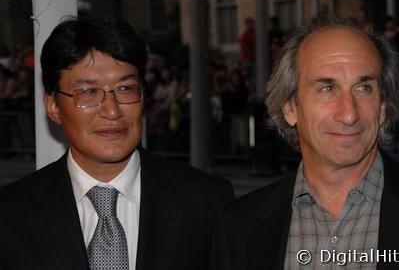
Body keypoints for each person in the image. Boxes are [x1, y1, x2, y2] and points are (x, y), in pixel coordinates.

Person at [212, 16, 399, 269]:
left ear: (382, 108)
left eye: (364, 88)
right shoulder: (237, 227)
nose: (349, 114)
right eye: (327, 88)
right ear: (290, 108)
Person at [0, 17, 234, 270]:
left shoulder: (206, 203)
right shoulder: (10, 214)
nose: (112, 111)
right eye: (88, 93)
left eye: (126, 89)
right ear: (54, 106)